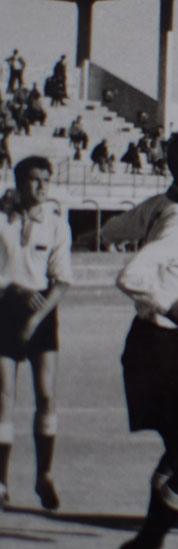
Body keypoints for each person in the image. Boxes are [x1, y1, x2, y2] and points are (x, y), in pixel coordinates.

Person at [100, 127, 178, 549]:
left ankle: (148, 540)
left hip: (148, 345)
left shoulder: (163, 206)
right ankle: (146, 543)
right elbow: (130, 274)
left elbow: (113, 230)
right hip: (164, 348)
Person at [0, 156, 73, 511]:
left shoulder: (57, 225)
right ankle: (1, 482)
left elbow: (61, 281)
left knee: (46, 396)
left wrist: (36, 316)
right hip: (4, 309)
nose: (41, 186)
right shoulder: (2, 219)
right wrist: (14, 292)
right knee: (3, 398)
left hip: (42, 312)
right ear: (18, 181)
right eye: (33, 179)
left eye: (46, 179)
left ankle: (44, 475)